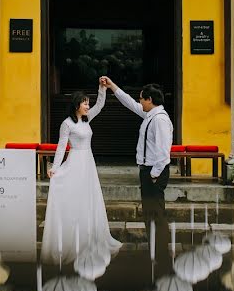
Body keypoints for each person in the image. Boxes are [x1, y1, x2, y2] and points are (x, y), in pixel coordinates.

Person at [40, 80, 122, 265]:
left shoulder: (86, 119)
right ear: (77, 105)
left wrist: (102, 88)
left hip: (88, 162)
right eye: (85, 103)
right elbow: (62, 147)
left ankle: (90, 239)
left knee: (89, 198)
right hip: (75, 162)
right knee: (76, 200)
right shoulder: (67, 124)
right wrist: (55, 168)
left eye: (88, 103)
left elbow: (100, 105)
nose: (88, 106)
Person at [101, 76, 173, 263]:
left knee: (156, 213)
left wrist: (154, 174)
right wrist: (112, 86)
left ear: (150, 100)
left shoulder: (160, 120)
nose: (140, 101)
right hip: (148, 170)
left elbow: (164, 151)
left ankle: (161, 254)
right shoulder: (151, 115)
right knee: (151, 213)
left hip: (154, 172)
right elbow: (130, 103)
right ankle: (155, 251)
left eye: (142, 98)